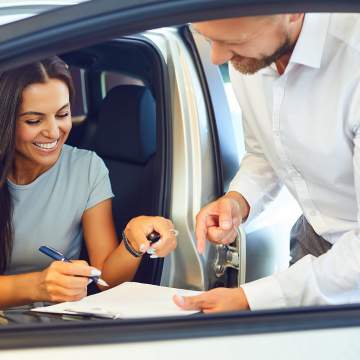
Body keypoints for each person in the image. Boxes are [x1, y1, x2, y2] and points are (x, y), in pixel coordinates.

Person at [174, 13, 360, 312]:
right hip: (312, 238)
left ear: (293, 13)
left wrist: (250, 299)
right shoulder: (248, 59)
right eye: (209, 39)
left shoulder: (353, 62)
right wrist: (238, 200)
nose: (218, 57)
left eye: (233, 41)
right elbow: (264, 152)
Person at [0, 56, 177, 309]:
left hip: (51, 326)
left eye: (62, 114)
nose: (53, 131)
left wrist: (132, 241)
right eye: (34, 120)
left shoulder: (87, 168)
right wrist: (36, 285)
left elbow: (105, 280)